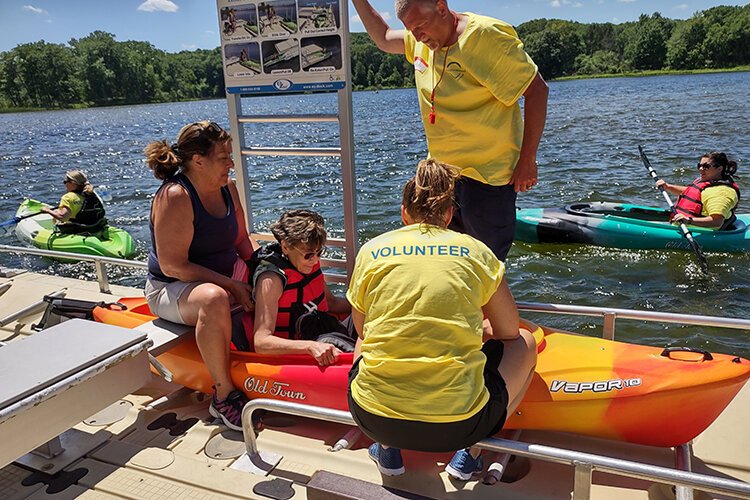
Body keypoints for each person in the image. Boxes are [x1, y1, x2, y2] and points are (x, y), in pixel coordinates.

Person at [346, 159, 537, 480]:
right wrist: (476, 330)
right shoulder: (477, 252)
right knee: (525, 342)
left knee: (365, 339)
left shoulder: (371, 251)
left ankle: (388, 448)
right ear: (450, 215)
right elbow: (507, 331)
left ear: (404, 213)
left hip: (371, 417)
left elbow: (364, 329)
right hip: (459, 426)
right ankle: (469, 453)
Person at [351, 0, 549, 261]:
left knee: (484, 266)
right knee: (442, 262)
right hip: (441, 177)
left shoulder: (484, 36)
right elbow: (385, 38)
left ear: (441, 7)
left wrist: (527, 159)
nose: (417, 36)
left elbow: (537, 91)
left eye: (420, 25)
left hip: (486, 178)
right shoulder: (421, 39)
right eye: (410, 29)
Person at [143, 120, 259, 432]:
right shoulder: (176, 196)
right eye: (224, 158)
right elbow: (172, 266)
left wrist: (267, 271)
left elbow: (242, 241)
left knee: (270, 276)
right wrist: (232, 285)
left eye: (230, 156)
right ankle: (223, 396)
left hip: (221, 277)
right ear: (198, 161)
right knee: (214, 298)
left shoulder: (228, 189)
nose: (231, 164)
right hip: (171, 289)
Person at [248, 209, 354, 365]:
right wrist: (310, 346)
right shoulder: (271, 280)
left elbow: (332, 303)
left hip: (325, 331)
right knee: (330, 341)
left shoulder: (310, 264)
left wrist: (369, 306)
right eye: (308, 254)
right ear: (285, 246)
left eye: (319, 252)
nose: (315, 259)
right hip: (300, 351)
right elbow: (261, 342)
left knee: (368, 314)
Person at [656, 152, 740, 230]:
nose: (700, 169)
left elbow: (717, 222)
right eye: (699, 165)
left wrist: (688, 220)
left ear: (719, 169)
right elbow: (691, 192)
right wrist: (668, 187)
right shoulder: (707, 181)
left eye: (706, 166)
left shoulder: (722, 192)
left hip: (701, 231)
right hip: (683, 225)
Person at [41, 170, 107, 234]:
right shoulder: (93, 194)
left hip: (78, 230)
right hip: (96, 228)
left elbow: (63, 217)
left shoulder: (68, 197)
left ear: (72, 182)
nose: (65, 185)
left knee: (59, 218)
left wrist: (48, 211)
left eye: (65, 182)